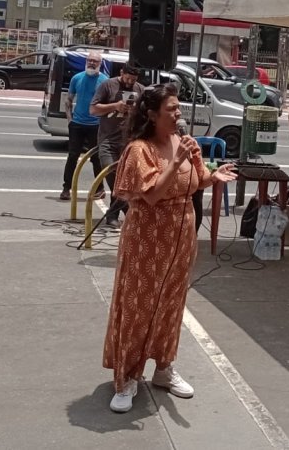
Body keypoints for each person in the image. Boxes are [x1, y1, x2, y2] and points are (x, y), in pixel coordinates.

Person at [103, 84, 236, 413]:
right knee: (138, 306)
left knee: (171, 305)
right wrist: (175, 163)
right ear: (151, 115)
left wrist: (212, 176)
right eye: (171, 110)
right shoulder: (139, 150)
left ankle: (163, 369)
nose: (179, 115)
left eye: (179, 108)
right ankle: (127, 378)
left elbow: (196, 180)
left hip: (181, 238)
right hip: (146, 241)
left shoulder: (183, 143)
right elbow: (151, 195)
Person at [90, 63, 144, 227]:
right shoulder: (108, 85)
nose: (129, 82)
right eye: (127, 78)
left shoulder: (140, 89)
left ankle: (113, 215)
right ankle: (128, 210)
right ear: (122, 73)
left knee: (125, 179)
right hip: (107, 140)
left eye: (133, 80)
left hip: (128, 141)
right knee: (113, 175)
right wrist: (115, 106)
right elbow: (93, 109)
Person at [60, 52, 107, 201]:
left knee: (96, 158)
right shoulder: (77, 78)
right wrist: (70, 120)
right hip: (77, 124)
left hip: (95, 125)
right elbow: (68, 100)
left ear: (100, 63)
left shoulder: (105, 81)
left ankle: (99, 188)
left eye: (95, 61)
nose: (91, 63)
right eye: (89, 60)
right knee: (73, 156)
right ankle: (66, 188)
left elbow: (107, 105)